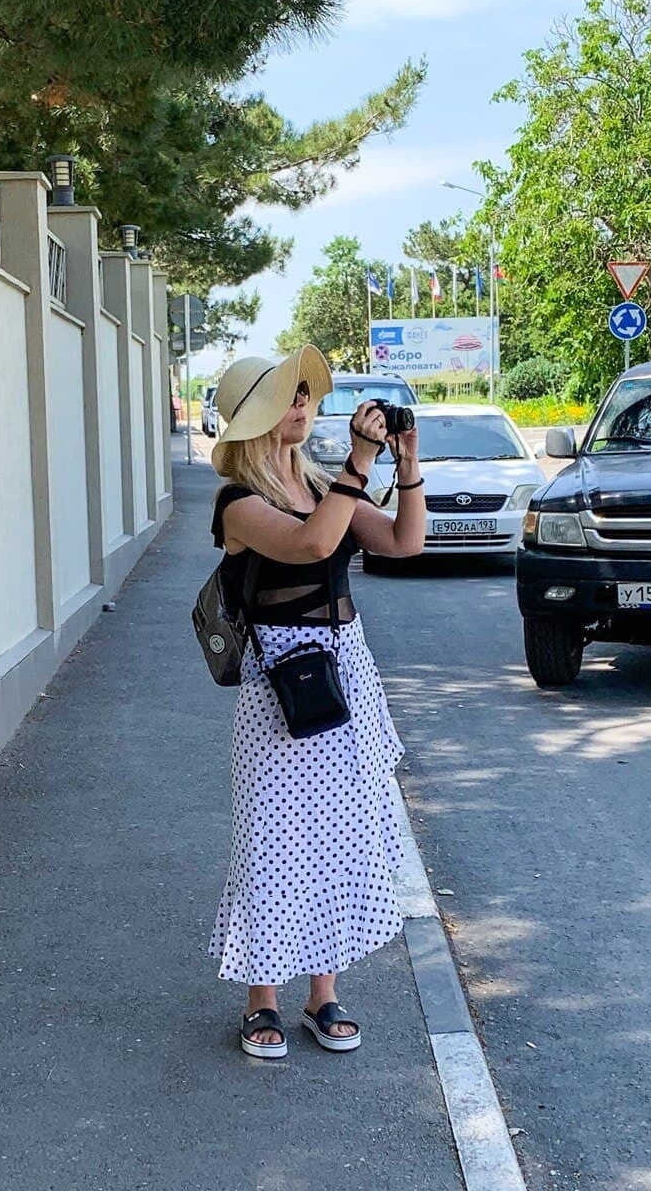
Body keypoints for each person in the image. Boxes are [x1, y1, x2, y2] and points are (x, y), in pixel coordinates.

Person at [207, 344, 426, 1059]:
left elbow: (404, 543)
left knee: (336, 839)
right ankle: (261, 1000)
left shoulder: (321, 485)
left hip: (346, 675)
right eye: (289, 394)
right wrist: (359, 464)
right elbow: (309, 545)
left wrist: (406, 464)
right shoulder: (238, 504)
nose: (303, 403)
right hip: (281, 688)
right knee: (273, 844)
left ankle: (321, 994)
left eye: (305, 393)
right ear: (256, 417)